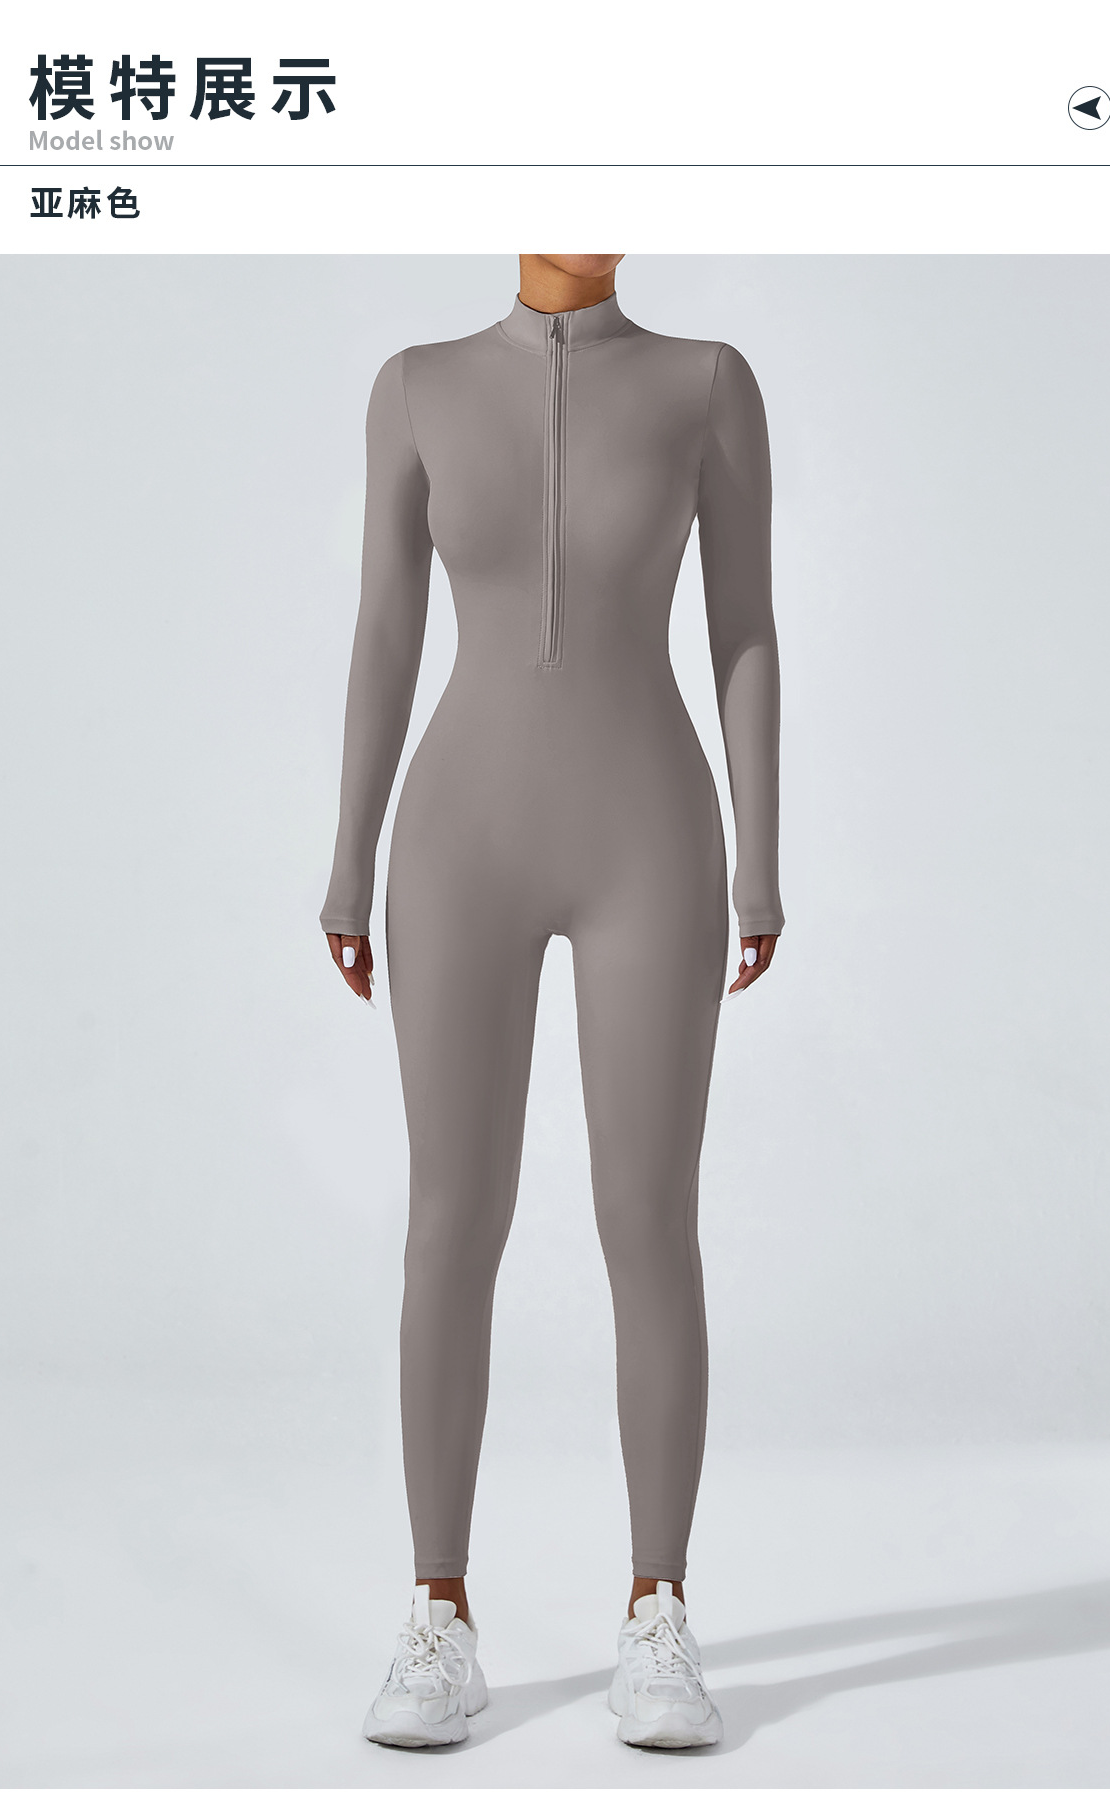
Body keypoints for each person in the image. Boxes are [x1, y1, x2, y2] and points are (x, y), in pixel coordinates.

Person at [320, 253, 783, 1750]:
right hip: (459, 840)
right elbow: (387, 630)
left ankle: (659, 1610)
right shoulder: (416, 389)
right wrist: (348, 855)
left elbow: (743, 624)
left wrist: (761, 859)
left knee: (647, 1218)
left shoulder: (707, 382)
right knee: (451, 1220)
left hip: (651, 837)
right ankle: (438, 1613)